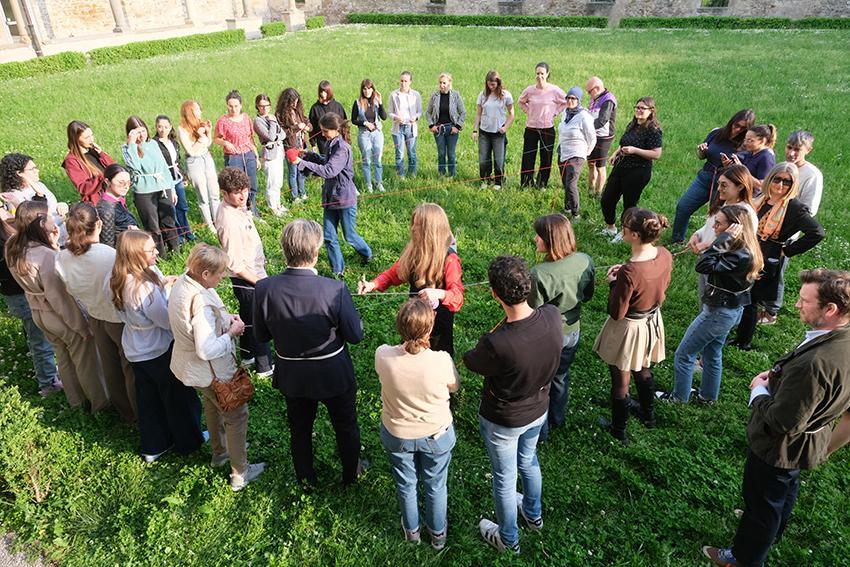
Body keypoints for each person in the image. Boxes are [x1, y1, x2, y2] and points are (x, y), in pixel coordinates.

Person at [702, 269, 850, 567]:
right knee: (785, 490)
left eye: (804, 300)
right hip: (806, 444)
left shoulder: (815, 364)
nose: (796, 305)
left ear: (831, 309)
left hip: (778, 447)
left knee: (763, 501)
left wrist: (759, 391)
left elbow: (784, 422)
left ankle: (744, 557)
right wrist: (780, 379)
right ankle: (771, 527)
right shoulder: (839, 340)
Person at [253, 218, 366, 487]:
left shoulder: (264, 288)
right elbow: (355, 335)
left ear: (284, 250)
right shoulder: (334, 289)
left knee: (300, 428)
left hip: (293, 375)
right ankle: (351, 473)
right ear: (316, 252)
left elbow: (261, 336)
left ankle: (306, 477)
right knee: (345, 424)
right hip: (333, 373)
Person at [463, 255, 562, 554]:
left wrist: (490, 337)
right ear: (528, 286)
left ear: (495, 294)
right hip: (538, 408)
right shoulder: (552, 315)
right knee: (529, 461)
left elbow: (470, 361)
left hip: (505, 419)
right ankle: (533, 516)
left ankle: (508, 539)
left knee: (505, 480)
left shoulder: (497, 343)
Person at [168, 243, 265, 491]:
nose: (223, 277)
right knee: (236, 416)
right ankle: (240, 473)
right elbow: (206, 349)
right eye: (220, 273)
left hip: (192, 370)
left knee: (212, 407)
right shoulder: (199, 303)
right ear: (205, 274)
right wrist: (231, 332)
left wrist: (224, 317)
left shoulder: (185, 281)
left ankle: (220, 452)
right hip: (211, 371)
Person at [109, 230, 204, 462]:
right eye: (150, 250)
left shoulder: (117, 277)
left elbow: (123, 312)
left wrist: (162, 283)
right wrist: (168, 293)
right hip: (157, 349)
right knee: (178, 396)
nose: (157, 252)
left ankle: (154, 445)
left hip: (135, 347)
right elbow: (164, 320)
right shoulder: (144, 288)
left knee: (148, 399)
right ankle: (189, 440)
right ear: (135, 255)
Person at [5, 201, 108, 411]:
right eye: (50, 216)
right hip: (57, 314)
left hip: (37, 312)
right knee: (85, 359)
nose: (55, 219)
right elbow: (59, 299)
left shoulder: (12, 245)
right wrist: (81, 327)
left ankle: (76, 402)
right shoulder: (46, 257)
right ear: (42, 222)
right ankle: (100, 403)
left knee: (63, 356)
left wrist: (53, 246)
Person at [376, 298, 460, 549]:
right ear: (429, 329)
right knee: (435, 485)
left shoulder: (382, 355)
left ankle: (412, 533)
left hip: (397, 435)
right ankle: (438, 536)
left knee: (406, 484)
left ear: (399, 326)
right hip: (437, 435)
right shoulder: (441, 360)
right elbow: (454, 387)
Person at [658, 205, 763, 404]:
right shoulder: (746, 249)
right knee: (712, 352)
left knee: (684, 354)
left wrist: (719, 242)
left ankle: (678, 399)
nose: (714, 227)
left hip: (718, 313)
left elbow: (703, 265)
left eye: (718, 224)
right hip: (729, 311)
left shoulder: (737, 254)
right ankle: (707, 396)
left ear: (734, 229)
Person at [593, 208, 672, 444]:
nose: (623, 229)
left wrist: (613, 284)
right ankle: (648, 415)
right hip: (652, 321)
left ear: (635, 235)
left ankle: (619, 430)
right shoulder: (664, 254)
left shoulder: (630, 271)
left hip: (630, 327)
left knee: (621, 379)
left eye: (625, 226)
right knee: (644, 367)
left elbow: (617, 312)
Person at [55, 203, 137, 422]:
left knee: (110, 367)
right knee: (128, 367)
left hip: (94, 314)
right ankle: (139, 412)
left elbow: (70, 288)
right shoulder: (109, 255)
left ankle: (125, 412)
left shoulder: (62, 258)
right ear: (99, 224)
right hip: (118, 317)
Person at [730, 163, 824, 351]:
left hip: (767, 256)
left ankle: (744, 341)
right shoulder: (761, 199)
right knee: (739, 290)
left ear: (793, 184)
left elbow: (817, 232)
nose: (781, 185)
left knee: (751, 299)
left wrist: (787, 250)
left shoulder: (795, 208)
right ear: (770, 179)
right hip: (748, 249)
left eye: (787, 182)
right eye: (777, 179)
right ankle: (736, 329)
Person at [358, 203, 463, 355]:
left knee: (436, 359)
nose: (412, 228)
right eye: (413, 223)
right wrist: (373, 284)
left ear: (431, 230)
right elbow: (394, 274)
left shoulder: (449, 259)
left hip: (438, 327)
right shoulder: (415, 252)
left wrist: (440, 294)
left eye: (418, 225)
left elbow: (458, 297)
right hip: (414, 323)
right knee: (410, 355)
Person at [528, 214, 595, 440]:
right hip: (572, 331)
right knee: (561, 376)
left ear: (551, 240)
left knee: (541, 383)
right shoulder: (585, 260)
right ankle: (558, 418)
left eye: (539, 235)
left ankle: (542, 432)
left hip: (546, 337)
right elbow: (588, 295)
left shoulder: (540, 273)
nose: (535, 239)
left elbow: (531, 311)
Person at [294, 113, 372, 277]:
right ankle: (338, 270)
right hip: (330, 197)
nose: (322, 134)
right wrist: (309, 155)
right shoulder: (331, 143)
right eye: (321, 131)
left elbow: (329, 170)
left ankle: (367, 254)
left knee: (349, 236)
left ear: (336, 130)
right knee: (329, 236)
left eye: (325, 131)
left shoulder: (342, 148)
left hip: (344, 198)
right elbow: (326, 162)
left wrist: (302, 163)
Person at [214, 167, 273, 377]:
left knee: (248, 317)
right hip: (247, 279)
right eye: (237, 192)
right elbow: (235, 264)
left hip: (253, 273)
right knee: (259, 321)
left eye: (245, 190)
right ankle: (265, 368)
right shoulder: (228, 220)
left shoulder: (236, 208)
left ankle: (248, 356)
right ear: (224, 193)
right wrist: (259, 282)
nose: (242, 196)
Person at [763, 130, 823, 325]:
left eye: (797, 150)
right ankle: (756, 304)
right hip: (766, 230)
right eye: (789, 148)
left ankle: (771, 311)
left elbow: (809, 210)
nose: (792, 154)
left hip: (786, 232)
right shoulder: (785, 168)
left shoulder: (812, 174)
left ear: (808, 150)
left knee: (776, 271)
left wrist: (787, 246)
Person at [0, 208, 60, 397]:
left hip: (19, 295)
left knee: (37, 338)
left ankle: (50, 376)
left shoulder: (10, 238)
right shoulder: (9, 240)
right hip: (23, 295)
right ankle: (48, 383)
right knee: (40, 341)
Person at [671, 109, 755, 243]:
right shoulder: (717, 133)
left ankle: (710, 247)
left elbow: (742, 171)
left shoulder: (745, 145)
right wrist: (701, 151)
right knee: (683, 207)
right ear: (731, 122)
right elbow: (701, 156)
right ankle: (677, 240)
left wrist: (730, 167)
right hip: (705, 177)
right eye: (736, 125)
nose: (738, 130)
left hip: (725, 184)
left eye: (743, 128)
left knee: (716, 218)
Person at [599, 97, 663, 242]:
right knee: (607, 199)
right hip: (620, 167)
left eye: (643, 108)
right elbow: (623, 144)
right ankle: (610, 227)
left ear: (651, 111)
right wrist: (615, 154)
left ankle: (624, 233)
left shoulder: (653, 130)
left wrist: (635, 150)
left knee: (629, 205)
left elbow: (656, 154)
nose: (639, 110)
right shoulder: (633, 125)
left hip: (638, 171)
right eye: (637, 107)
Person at [121, 115, 179, 256]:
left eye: (143, 130)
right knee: (153, 226)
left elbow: (164, 167)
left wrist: (172, 188)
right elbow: (134, 166)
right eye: (137, 132)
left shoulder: (153, 144)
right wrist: (132, 144)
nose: (141, 134)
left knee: (169, 221)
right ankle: (159, 255)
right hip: (144, 191)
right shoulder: (127, 149)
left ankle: (176, 252)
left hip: (163, 187)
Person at [517, 62, 568, 189]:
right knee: (528, 156)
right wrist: (529, 111)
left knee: (546, 157)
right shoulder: (530, 90)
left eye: (542, 73)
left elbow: (567, 101)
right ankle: (526, 183)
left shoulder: (554, 90)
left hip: (547, 129)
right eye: (537, 73)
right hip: (531, 128)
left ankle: (542, 183)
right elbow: (521, 102)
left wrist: (555, 112)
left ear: (547, 74)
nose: (539, 76)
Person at [0, 153, 68, 246]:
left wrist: (62, 205)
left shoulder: (39, 185)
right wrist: (60, 219)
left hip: (64, 234)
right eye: (32, 169)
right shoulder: (13, 197)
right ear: (19, 173)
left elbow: (52, 206)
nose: (37, 170)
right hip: (50, 241)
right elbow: (32, 225)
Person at [214, 90, 259, 215]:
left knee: (252, 183)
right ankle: (238, 210)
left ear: (241, 105)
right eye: (230, 106)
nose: (233, 109)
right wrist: (226, 143)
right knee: (236, 185)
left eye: (236, 106)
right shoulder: (223, 121)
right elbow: (216, 139)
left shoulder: (246, 118)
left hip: (248, 153)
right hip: (233, 156)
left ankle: (252, 209)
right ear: (227, 105)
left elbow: (250, 137)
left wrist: (255, 154)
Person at [178, 100, 220, 231]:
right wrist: (201, 137)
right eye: (197, 109)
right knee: (202, 194)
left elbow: (207, 144)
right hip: (194, 162)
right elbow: (190, 151)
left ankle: (218, 221)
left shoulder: (200, 124)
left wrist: (208, 132)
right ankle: (209, 225)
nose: (200, 111)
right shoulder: (182, 129)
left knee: (214, 191)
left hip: (206, 158)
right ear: (190, 112)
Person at [556, 87, 596, 220]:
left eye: (573, 98)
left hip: (577, 155)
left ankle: (576, 214)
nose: (570, 101)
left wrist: (585, 153)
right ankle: (567, 208)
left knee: (571, 184)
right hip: (563, 151)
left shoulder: (584, 116)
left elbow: (592, 137)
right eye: (568, 98)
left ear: (579, 100)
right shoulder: (565, 112)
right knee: (565, 182)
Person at [154, 115, 194, 243]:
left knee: (182, 206)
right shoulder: (154, 144)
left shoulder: (174, 142)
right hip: (165, 180)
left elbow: (177, 162)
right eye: (160, 126)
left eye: (166, 127)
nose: (162, 129)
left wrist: (184, 176)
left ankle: (187, 232)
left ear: (170, 127)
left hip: (177, 177)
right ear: (156, 127)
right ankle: (179, 236)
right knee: (172, 207)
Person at [472, 70, 514, 190]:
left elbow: (512, 114)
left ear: (498, 83)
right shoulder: (483, 95)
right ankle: (485, 179)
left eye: (493, 84)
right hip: (484, 132)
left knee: (499, 160)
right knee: (483, 159)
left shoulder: (506, 95)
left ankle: (498, 182)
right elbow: (478, 114)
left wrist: (505, 127)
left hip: (498, 133)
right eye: (489, 84)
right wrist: (475, 130)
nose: (491, 86)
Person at [62, 120, 115, 204]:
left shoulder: (94, 151)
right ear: (76, 139)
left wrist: (102, 154)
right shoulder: (71, 161)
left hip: (113, 196)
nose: (91, 140)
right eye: (87, 137)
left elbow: (115, 168)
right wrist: (103, 176)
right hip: (98, 203)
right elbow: (83, 188)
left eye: (92, 135)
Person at [253, 93, 288, 217]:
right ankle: (273, 207)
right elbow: (270, 136)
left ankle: (278, 204)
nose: (264, 108)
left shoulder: (271, 116)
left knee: (278, 180)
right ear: (257, 106)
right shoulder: (258, 121)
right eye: (261, 106)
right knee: (271, 181)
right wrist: (273, 122)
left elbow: (283, 134)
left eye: (267, 105)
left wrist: (276, 135)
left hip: (279, 150)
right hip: (270, 153)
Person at [425, 73, 466, 177]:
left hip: (451, 128)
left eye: (444, 83)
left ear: (449, 83)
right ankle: (441, 175)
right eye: (440, 83)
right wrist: (431, 125)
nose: (442, 85)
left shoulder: (455, 95)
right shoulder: (435, 96)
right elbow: (428, 112)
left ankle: (452, 175)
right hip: (439, 129)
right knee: (441, 153)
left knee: (451, 154)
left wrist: (457, 126)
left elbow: (463, 112)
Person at [351, 79, 387, 194]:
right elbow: (353, 120)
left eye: (369, 88)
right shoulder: (358, 102)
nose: (367, 91)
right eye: (365, 89)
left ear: (373, 89)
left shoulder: (376, 102)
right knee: (366, 160)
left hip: (377, 133)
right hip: (364, 134)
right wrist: (365, 123)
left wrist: (380, 103)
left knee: (378, 160)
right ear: (362, 90)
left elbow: (384, 117)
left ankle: (379, 182)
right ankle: (368, 184)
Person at [276, 87, 310, 203]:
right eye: (292, 101)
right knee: (293, 172)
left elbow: (307, 121)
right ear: (286, 101)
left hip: (302, 145)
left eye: (296, 100)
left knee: (301, 170)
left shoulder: (298, 111)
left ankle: (303, 193)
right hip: (290, 147)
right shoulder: (280, 114)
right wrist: (296, 128)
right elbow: (283, 133)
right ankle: (295, 197)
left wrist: (307, 127)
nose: (295, 103)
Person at [585, 76, 617, 199]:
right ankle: (590, 189)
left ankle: (598, 194)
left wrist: (587, 127)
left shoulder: (608, 100)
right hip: (593, 135)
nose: (588, 94)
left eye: (589, 91)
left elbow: (602, 121)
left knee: (600, 166)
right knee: (591, 164)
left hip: (604, 138)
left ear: (597, 88)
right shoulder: (595, 97)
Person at [721, 123, 776, 193]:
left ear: (762, 141)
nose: (745, 143)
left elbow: (761, 186)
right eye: (745, 140)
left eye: (750, 140)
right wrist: (729, 166)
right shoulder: (751, 152)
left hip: (752, 199)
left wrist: (741, 169)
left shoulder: (766, 157)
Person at [388, 71, 422, 179]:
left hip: (411, 127)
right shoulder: (394, 95)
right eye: (401, 81)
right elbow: (390, 112)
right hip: (398, 128)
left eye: (406, 81)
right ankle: (400, 176)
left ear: (410, 82)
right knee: (399, 153)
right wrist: (396, 118)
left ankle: (412, 174)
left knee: (412, 152)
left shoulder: (416, 95)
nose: (403, 83)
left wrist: (415, 118)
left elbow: (420, 111)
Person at [96, 164, 139, 248]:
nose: (126, 186)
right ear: (107, 182)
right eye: (121, 182)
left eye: (128, 183)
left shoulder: (118, 201)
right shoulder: (106, 209)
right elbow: (107, 244)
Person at [309, 81, 347, 156]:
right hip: (322, 142)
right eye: (321, 92)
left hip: (337, 141)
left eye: (325, 92)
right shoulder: (315, 108)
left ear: (329, 92)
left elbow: (344, 125)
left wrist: (345, 139)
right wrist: (313, 144)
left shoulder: (338, 106)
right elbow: (312, 128)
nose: (323, 94)